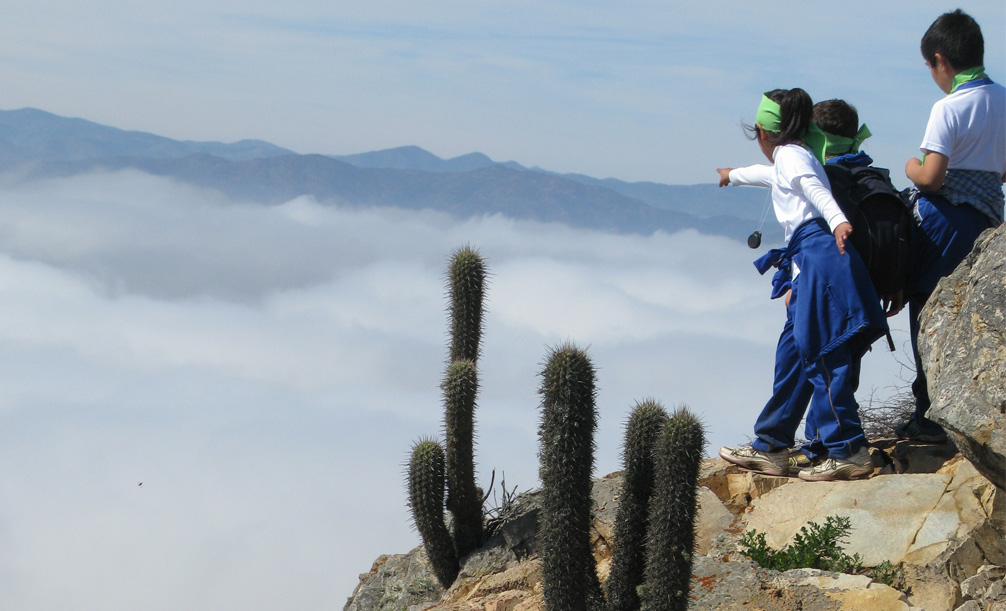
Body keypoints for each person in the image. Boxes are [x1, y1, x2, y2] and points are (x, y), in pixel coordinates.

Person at [715, 88, 889, 481]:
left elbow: (813, 188)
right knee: (795, 354)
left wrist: (836, 219)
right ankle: (772, 445)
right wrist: (733, 176)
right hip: (810, 258)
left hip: (820, 255)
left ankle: (848, 451)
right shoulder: (793, 154)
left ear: (762, 131)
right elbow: (770, 176)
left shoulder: (793, 156)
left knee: (825, 354)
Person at [899, 9, 1005, 443]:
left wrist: (910, 165)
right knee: (968, 317)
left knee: (928, 313)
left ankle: (929, 418)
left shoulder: (949, 107)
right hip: (987, 222)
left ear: (940, 60)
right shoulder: (1002, 99)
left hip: (944, 224)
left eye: (930, 67)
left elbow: (932, 176)